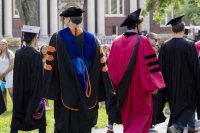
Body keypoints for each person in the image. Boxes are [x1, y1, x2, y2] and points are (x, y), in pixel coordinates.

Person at [44, 6, 114, 133]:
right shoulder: (92, 39)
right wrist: (107, 90)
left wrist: (45, 88)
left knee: (65, 127)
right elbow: (103, 67)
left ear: (68, 20)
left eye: (65, 18)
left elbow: (49, 66)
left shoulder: (57, 38)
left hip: (65, 93)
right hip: (87, 94)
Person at [107, 8, 165, 133]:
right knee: (141, 118)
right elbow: (152, 65)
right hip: (141, 89)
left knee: (128, 119)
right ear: (137, 26)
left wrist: (116, 86)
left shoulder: (116, 42)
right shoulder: (143, 41)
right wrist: (155, 85)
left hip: (123, 89)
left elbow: (111, 68)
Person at [159, 15, 200, 133]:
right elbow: (195, 67)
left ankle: (175, 126)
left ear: (172, 30)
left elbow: (161, 67)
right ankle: (178, 126)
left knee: (175, 108)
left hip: (171, 84)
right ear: (183, 29)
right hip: (187, 84)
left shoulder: (165, 46)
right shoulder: (190, 45)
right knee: (190, 105)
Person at [10, 25, 46, 133]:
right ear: (34, 38)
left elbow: (16, 74)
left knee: (17, 117)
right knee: (40, 119)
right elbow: (39, 77)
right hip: (32, 92)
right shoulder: (36, 55)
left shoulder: (18, 53)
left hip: (20, 91)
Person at [0, 39, 14, 107]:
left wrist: (4, 73)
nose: (1, 46)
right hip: (1, 77)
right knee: (2, 91)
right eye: (0, 44)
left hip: (9, 75)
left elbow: (11, 66)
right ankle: (4, 107)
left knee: (11, 92)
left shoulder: (10, 53)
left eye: (3, 44)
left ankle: (16, 106)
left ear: (6, 45)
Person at [40, 45, 50, 110]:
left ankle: (47, 105)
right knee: (42, 92)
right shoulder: (39, 58)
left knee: (45, 92)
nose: (44, 50)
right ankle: (44, 105)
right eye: (43, 49)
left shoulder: (49, 58)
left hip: (47, 77)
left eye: (45, 49)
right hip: (40, 77)